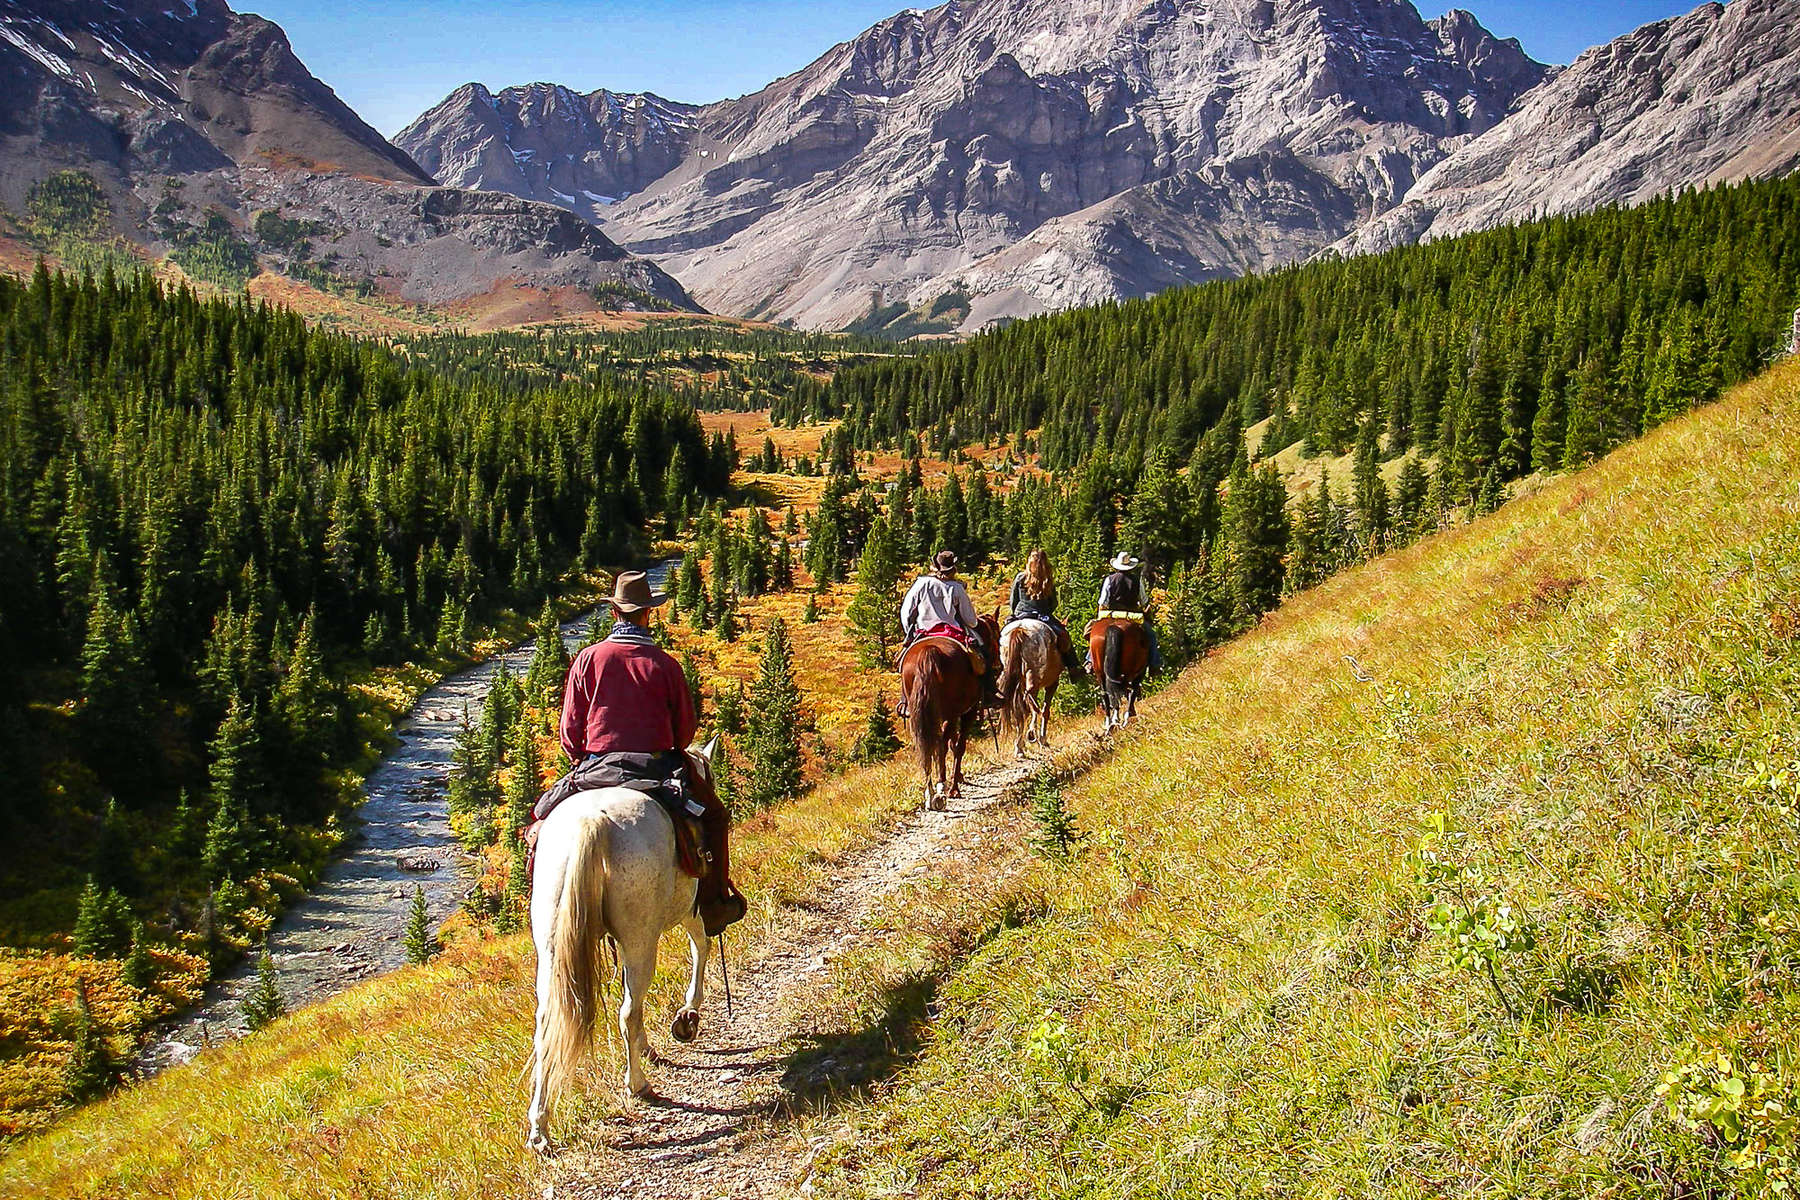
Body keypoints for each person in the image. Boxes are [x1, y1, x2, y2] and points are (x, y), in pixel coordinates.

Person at [557, 570, 745, 935]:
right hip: (656, 767)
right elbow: (684, 732)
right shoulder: (665, 664)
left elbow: (569, 732)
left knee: (540, 821)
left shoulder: (587, 659)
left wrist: (582, 760)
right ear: (647, 614)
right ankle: (714, 903)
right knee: (715, 817)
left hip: (596, 766)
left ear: (615, 613)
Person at [897, 549, 993, 713]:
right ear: (953, 568)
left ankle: (905, 700)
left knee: (903, 660)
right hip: (952, 633)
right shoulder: (957, 589)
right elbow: (970, 620)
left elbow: (906, 612)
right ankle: (989, 692)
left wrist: (909, 632)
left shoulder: (921, 584)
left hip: (923, 632)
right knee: (983, 653)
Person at [1007, 548, 1084, 679]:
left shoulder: (1020, 577)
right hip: (1043, 616)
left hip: (1021, 615)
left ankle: (996, 667)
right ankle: (1073, 667)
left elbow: (1013, 601)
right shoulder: (1047, 579)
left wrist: (1016, 613)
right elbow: (1053, 603)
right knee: (1063, 635)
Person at [1090, 551, 1162, 672]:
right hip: (1131, 615)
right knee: (1151, 635)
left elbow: (1103, 602)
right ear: (1130, 567)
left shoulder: (1109, 580)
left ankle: (1089, 661)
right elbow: (1144, 601)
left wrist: (1100, 617)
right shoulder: (1136, 581)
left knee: (1094, 633)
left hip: (1111, 615)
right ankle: (1154, 664)